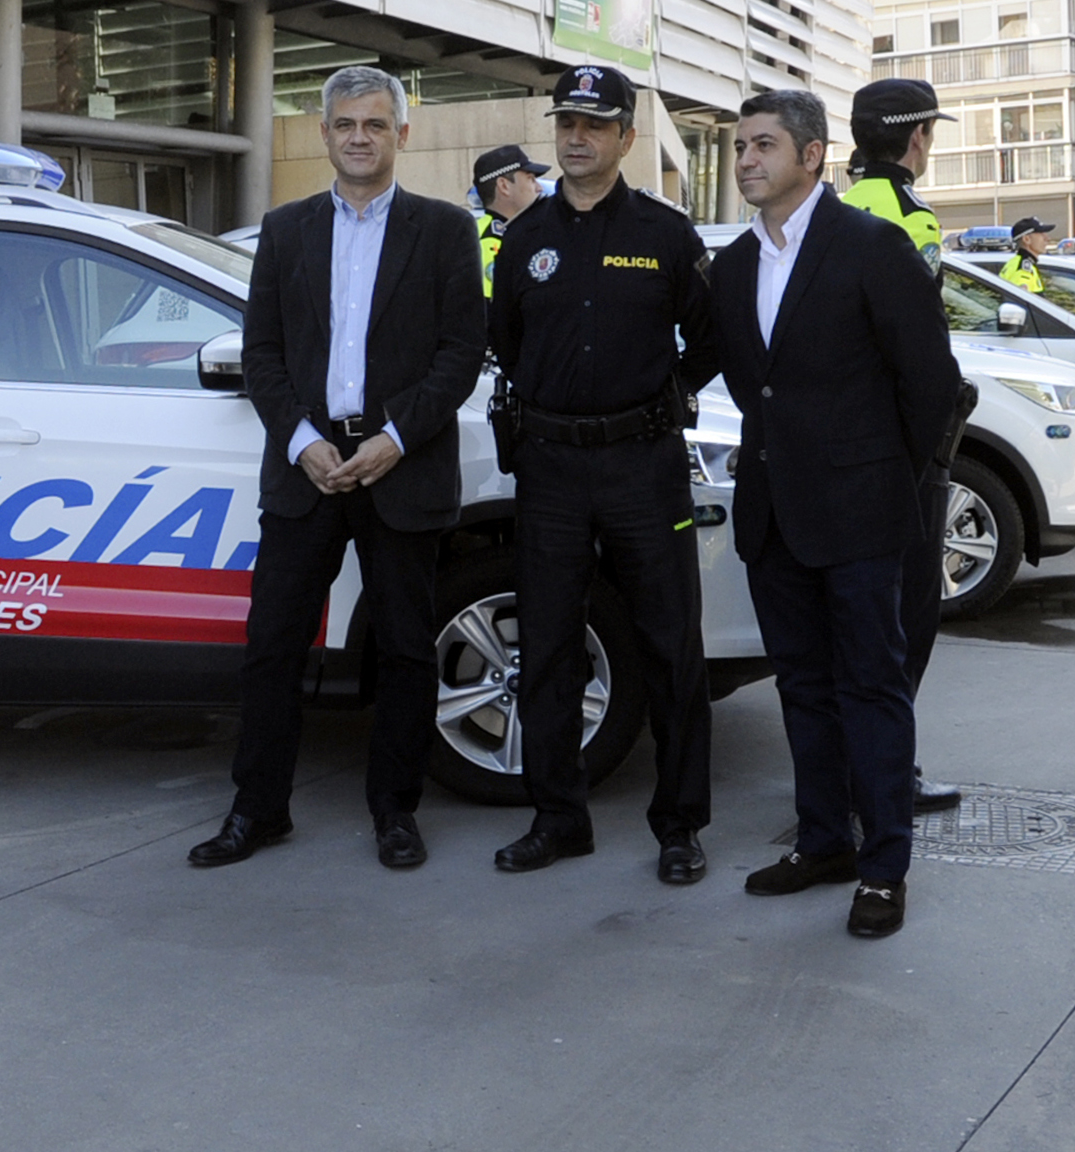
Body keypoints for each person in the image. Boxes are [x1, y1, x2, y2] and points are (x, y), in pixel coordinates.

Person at [189, 66, 486, 871]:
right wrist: (301, 441)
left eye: (375, 124)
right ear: (324, 134)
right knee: (272, 646)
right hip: (306, 469)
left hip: (401, 464)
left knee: (404, 651)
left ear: (401, 135)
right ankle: (259, 810)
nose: (360, 137)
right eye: (346, 124)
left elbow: (462, 353)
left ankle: (395, 811)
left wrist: (393, 438)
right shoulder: (284, 231)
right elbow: (263, 352)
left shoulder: (445, 231)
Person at [710, 89, 961, 939]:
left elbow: (929, 383)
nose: (747, 159)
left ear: (812, 156)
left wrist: (894, 478)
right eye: (741, 146)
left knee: (871, 688)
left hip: (862, 514)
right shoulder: (736, 266)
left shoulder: (871, 244)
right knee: (805, 690)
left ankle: (884, 867)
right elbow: (751, 386)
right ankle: (824, 841)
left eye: (765, 145)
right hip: (775, 514)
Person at [489, 63, 720, 883]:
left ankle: (680, 825)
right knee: (548, 648)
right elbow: (507, 344)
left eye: (595, 125)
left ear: (628, 136)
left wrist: (670, 396)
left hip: (641, 466)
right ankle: (559, 818)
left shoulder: (666, 235)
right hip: (550, 468)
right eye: (566, 124)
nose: (576, 138)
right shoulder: (524, 238)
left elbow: (713, 337)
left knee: (669, 646)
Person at [841, 78, 972, 815]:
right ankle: (886, 772)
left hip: (840, 444)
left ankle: (844, 773)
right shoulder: (908, 217)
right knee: (907, 612)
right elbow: (916, 345)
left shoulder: (828, 208)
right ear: (917, 138)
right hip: (898, 450)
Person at [841, 77, 948, 275]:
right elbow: (917, 304)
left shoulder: (837, 208)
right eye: (931, 130)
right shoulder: (913, 215)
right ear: (918, 135)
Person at [472, 144, 549, 300]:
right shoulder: (487, 241)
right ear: (504, 186)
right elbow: (490, 310)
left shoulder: (524, 231)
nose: (539, 188)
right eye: (531, 179)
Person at [999, 218, 1049, 293]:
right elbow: (1021, 301)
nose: (1047, 238)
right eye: (1042, 235)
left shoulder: (1017, 263)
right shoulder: (1023, 271)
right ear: (1026, 239)